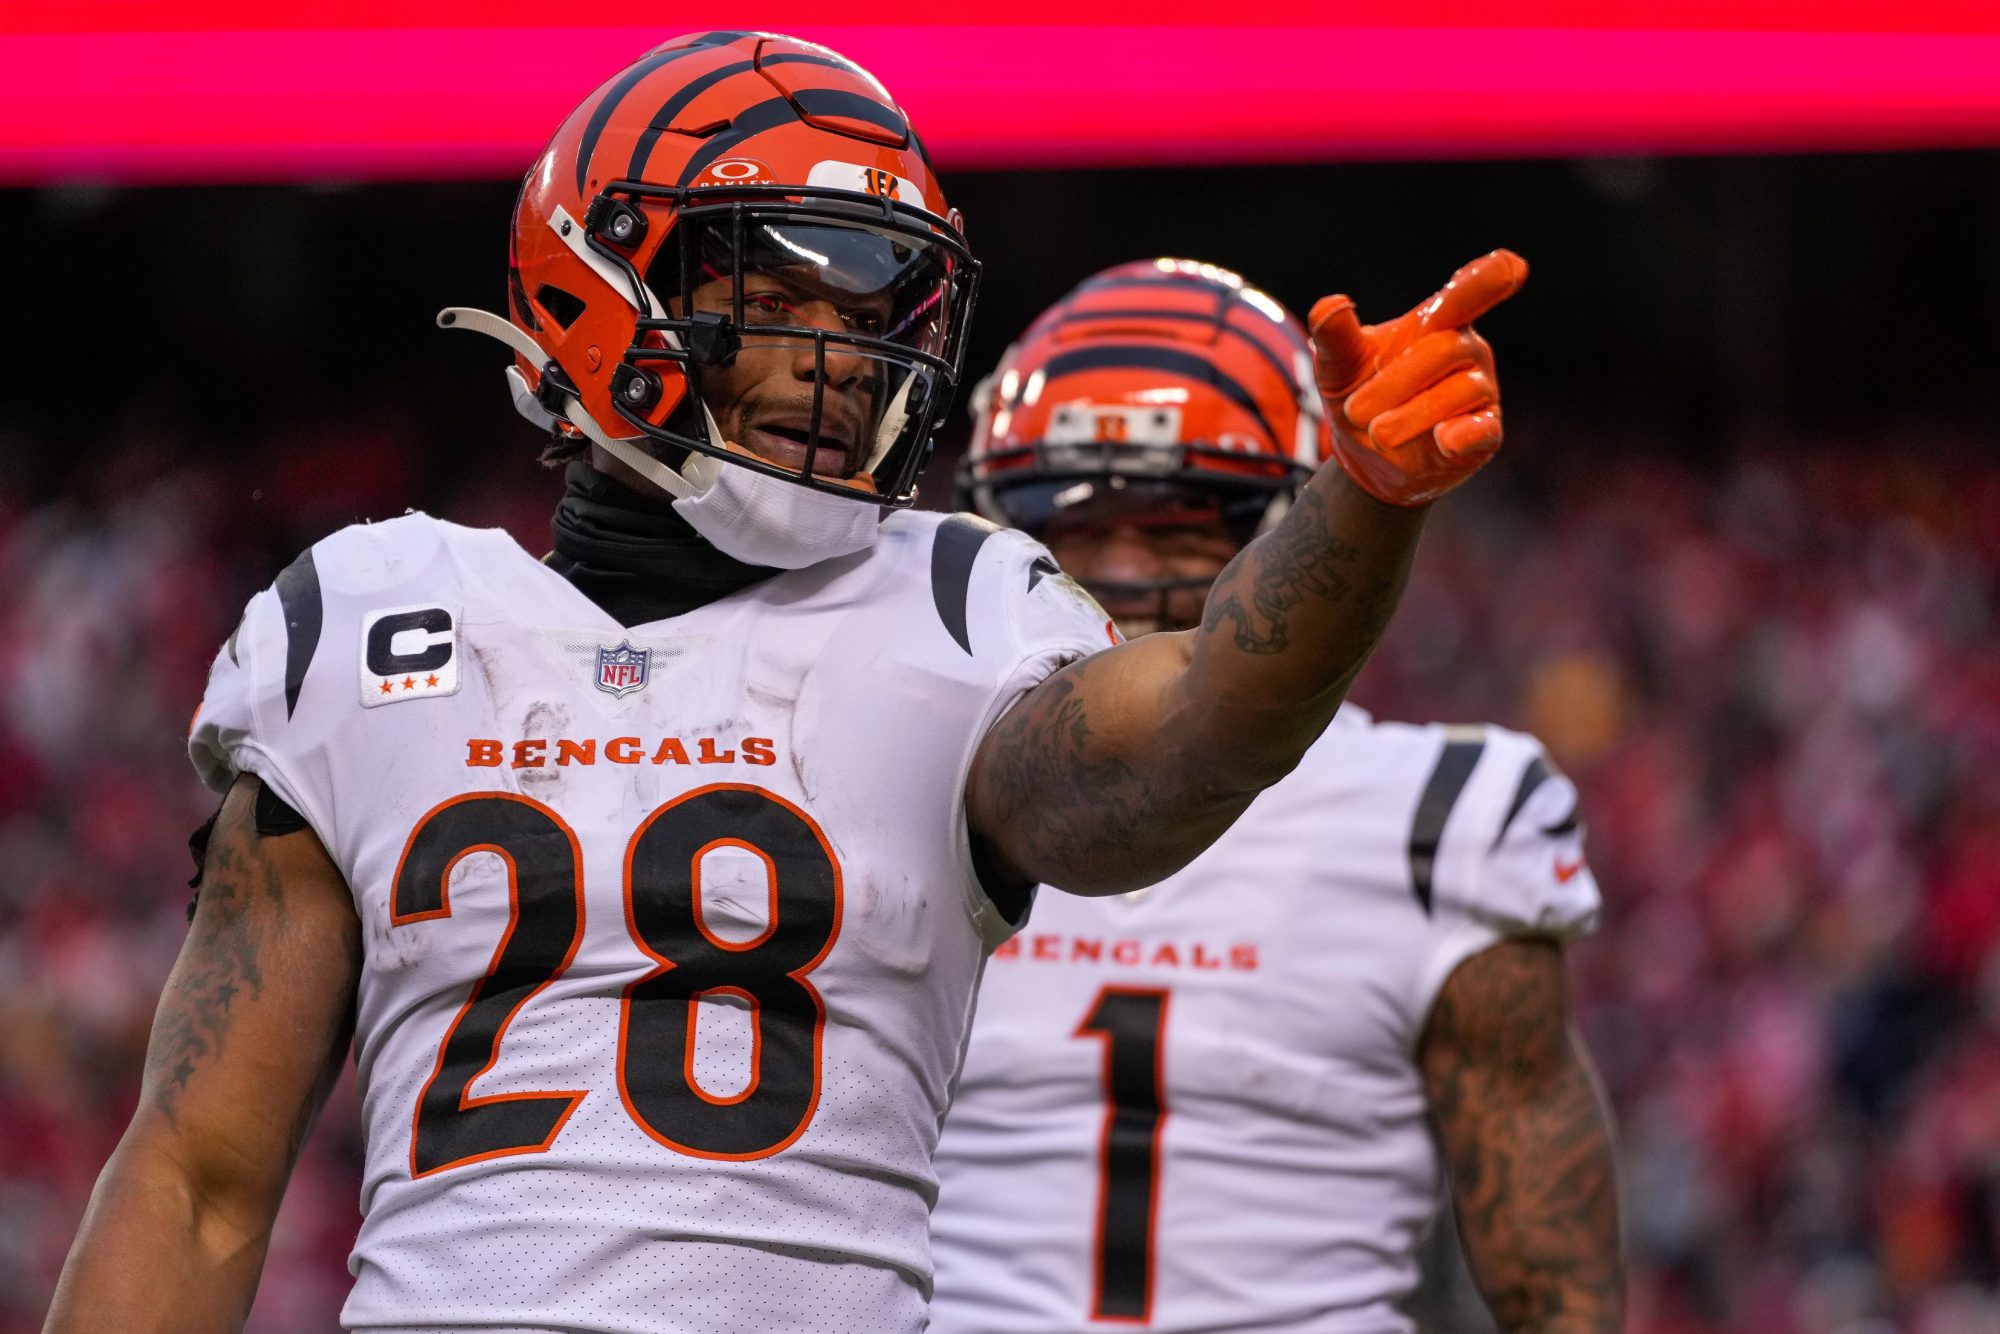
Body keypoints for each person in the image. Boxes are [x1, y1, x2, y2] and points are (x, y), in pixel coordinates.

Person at [46, 32, 1525, 1334]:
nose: (843, 358)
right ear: (600, 280)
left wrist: (1360, 499)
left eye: (873, 310)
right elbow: (194, 1181)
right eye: (784, 293)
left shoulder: (958, 606)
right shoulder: (368, 616)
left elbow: (1188, 737)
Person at [931, 259, 1623, 1333]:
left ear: (1301, 526)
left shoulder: (1436, 816)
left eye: (1178, 522)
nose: (1115, 568)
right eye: (1067, 520)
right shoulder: (906, 764)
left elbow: (1552, 1289)